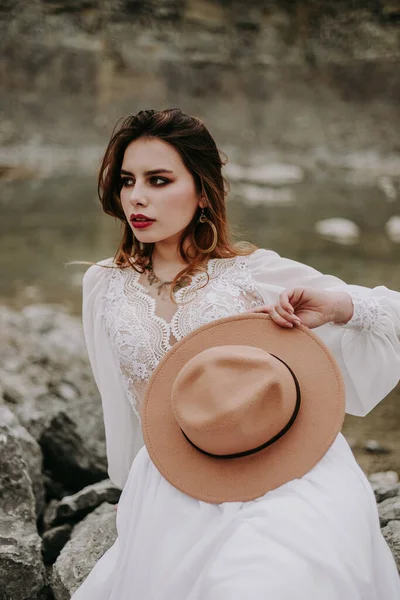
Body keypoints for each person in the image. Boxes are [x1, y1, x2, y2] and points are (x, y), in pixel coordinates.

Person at [71, 108, 400, 599]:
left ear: (202, 190)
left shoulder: (253, 274)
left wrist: (338, 306)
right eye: (127, 180)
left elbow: (391, 314)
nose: (136, 196)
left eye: (158, 180)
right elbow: (117, 404)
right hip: (176, 478)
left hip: (291, 472)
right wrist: (130, 491)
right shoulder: (103, 285)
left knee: (266, 578)